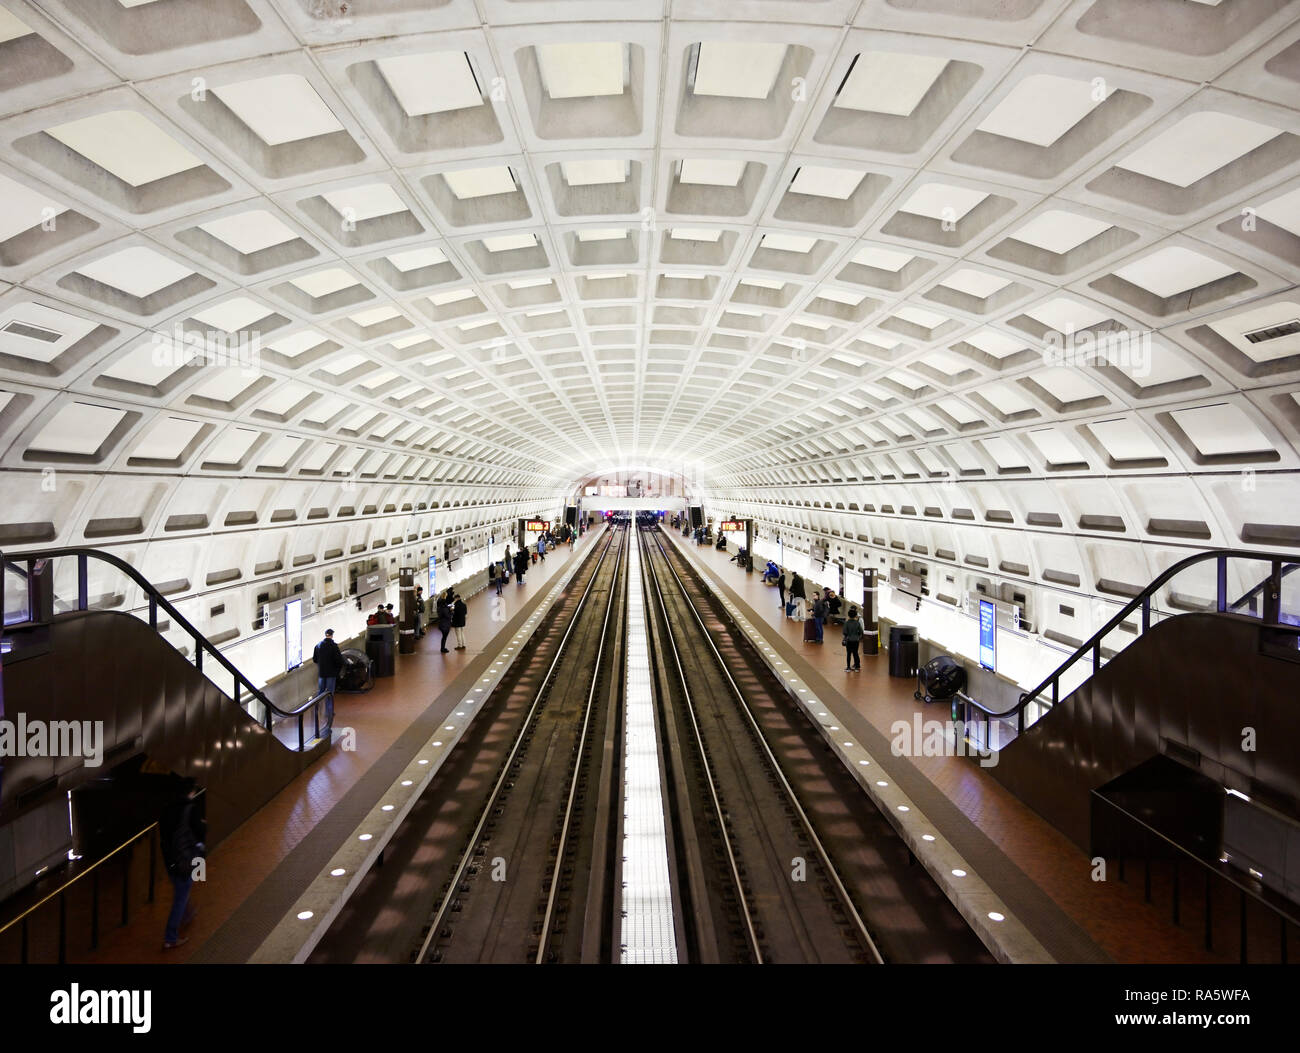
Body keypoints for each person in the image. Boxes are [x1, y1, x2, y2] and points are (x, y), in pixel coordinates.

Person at [160, 776, 205, 950]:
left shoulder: (166, 808)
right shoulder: (190, 809)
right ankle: (170, 937)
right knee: (182, 893)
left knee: (181, 888)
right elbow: (199, 832)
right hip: (185, 858)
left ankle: (188, 914)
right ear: (190, 791)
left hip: (169, 859)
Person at [312, 628, 343, 700]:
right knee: (329, 693)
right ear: (332, 635)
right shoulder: (334, 646)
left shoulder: (318, 646)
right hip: (331, 673)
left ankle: (318, 710)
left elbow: (315, 659)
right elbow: (339, 661)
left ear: (325, 635)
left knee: (320, 693)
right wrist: (337, 671)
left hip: (322, 673)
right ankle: (328, 710)